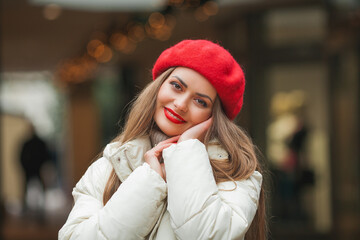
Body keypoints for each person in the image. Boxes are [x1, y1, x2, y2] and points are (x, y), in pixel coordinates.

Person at [59, 39, 266, 240]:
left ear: (215, 117)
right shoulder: (110, 166)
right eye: (177, 86)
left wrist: (185, 152)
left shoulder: (235, 173)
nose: (181, 104)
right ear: (158, 88)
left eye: (200, 101)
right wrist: (149, 182)